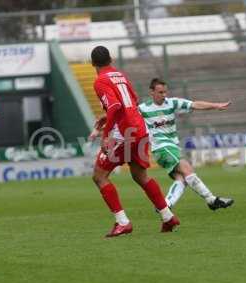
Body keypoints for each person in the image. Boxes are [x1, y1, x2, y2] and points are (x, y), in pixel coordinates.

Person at [90, 46, 179, 238]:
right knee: (140, 176)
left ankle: (122, 222)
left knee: (99, 176)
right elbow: (133, 101)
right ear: (111, 59)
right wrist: (108, 118)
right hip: (140, 128)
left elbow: (114, 106)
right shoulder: (120, 75)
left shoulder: (100, 81)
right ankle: (168, 216)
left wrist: (106, 135)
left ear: (92, 64)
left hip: (124, 133)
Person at [138, 78, 234, 210]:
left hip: (171, 148)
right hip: (162, 147)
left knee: (181, 178)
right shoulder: (142, 109)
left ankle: (165, 205)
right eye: (160, 92)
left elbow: (194, 104)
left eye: (165, 92)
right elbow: (128, 120)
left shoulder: (171, 103)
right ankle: (211, 200)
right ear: (151, 92)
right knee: (187, 169)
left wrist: (215, 105)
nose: (164, 95)